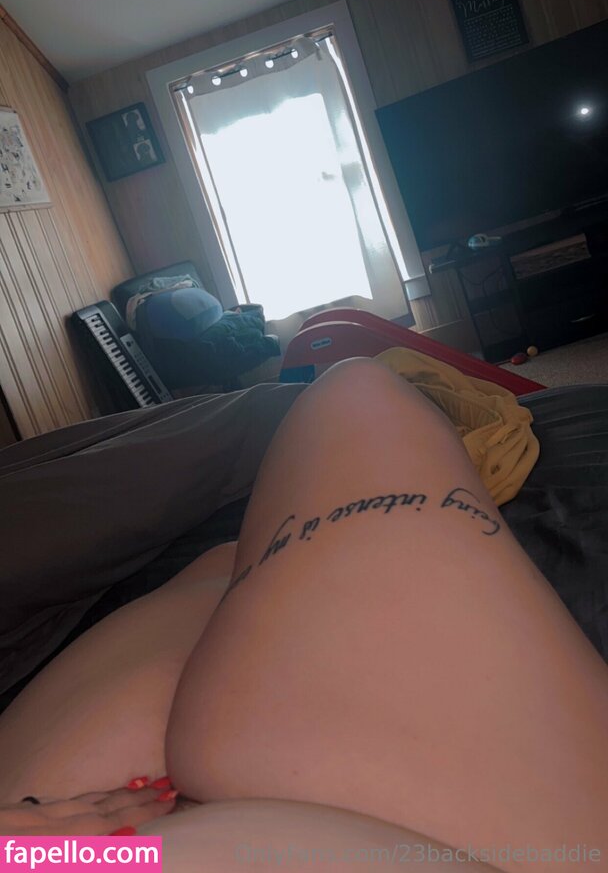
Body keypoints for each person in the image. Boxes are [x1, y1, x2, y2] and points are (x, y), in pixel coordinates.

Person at [0, 359, 605, 872]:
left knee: (220, 568)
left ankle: (250, 568)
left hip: (58, 844)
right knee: (353, 385)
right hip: (425, 821)